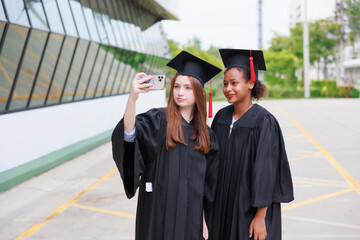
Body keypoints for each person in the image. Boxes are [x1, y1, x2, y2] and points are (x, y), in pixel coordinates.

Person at [111, 50, 221, 240]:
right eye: (177, 86)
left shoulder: (207, 135)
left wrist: (203, 218)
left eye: (188, 88)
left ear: (199, 92)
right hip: (157, 212)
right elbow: (129, 134)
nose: (180, 92)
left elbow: (207, 186)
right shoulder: (158, 120)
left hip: (191, 217)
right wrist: (132, 98)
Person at [207, 49, 294, 240]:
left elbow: (266, 172)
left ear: (250, 84)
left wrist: (261, 216)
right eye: (225, 84)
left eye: (234, 83)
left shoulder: (264, 122)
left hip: (249, 208)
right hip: (222, 204)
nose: (228, 88)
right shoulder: (221, 117)